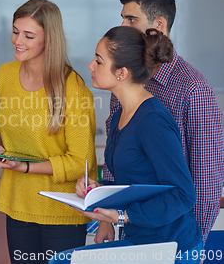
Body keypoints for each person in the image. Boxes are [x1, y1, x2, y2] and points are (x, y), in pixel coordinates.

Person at [51, 26, 202, 264]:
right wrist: (98, 189)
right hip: (143, 242)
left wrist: (123, 216)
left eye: (99, 61)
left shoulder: (153, 121)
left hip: (172, 247)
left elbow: (183, 194)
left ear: (121, 73)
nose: (90, 66)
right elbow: (136, 180)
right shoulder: (122, 112)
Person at [101, 0, 224, 245]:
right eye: (122, 17)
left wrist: (193, 243)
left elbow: (207, 179)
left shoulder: (193, 88)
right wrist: (107, 218)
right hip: (132, 228)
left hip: (175, 237)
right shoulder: (123, 80)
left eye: (131, 19)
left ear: (158, 24)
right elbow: (116, 157)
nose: (123, 26)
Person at [0, 0, 96, 264]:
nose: (18, 41)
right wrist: (2, 151)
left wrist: (25, 167)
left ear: (49, 40)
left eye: (29, 35)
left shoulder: (72, 88)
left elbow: (81, 163)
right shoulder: (4, 75)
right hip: (18, 206)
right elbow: (4, 132)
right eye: (15, 31)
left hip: (61, 210)